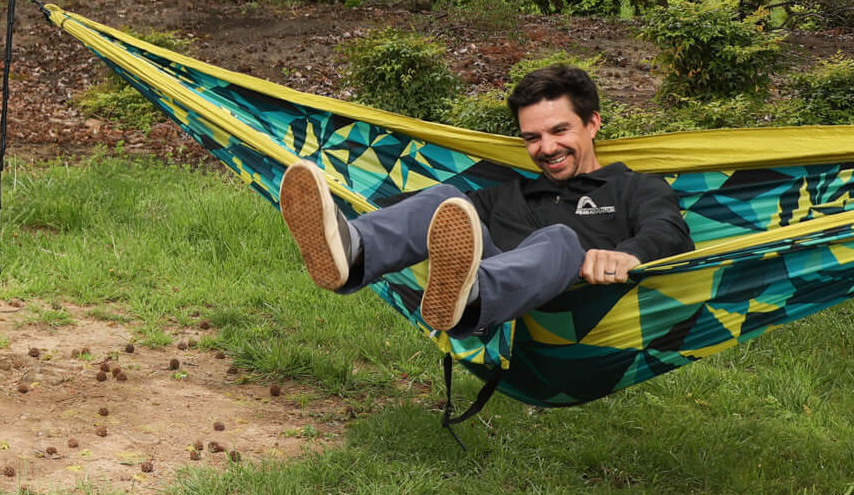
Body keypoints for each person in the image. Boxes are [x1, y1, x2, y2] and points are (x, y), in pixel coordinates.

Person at [281, 64, 690, 335]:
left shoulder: (636, 187)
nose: (547, 148)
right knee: (445, 199)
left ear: (593, 123)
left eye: (559, 131)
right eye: (532, 137)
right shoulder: (513, 194)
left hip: (578, 309)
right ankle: (351, 255)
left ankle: (473, 297)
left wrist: (630, 254)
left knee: (560, 239)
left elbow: (670, 232)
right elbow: (423, 219)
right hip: (500, 310)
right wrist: (338, 214)